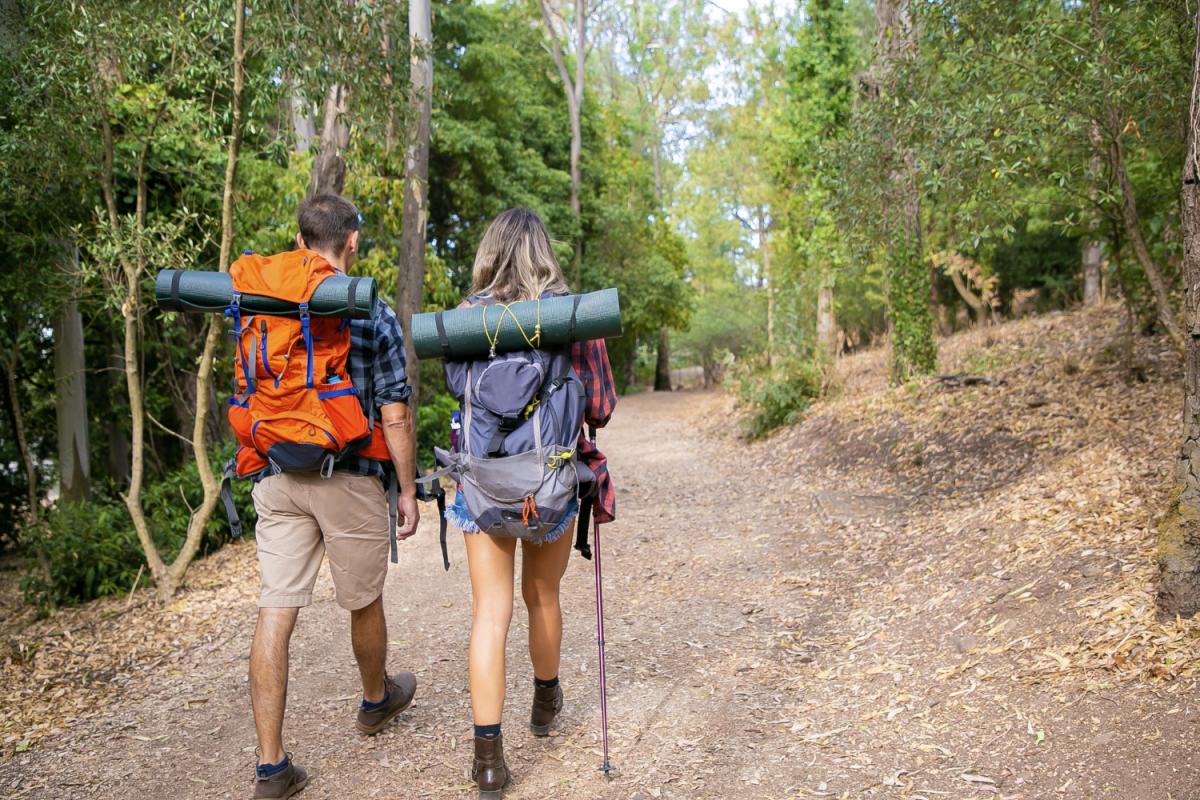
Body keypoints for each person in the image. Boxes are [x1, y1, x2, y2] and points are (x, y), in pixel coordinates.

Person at [248, 194, 421, 799]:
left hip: (276, 475)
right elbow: (394, 412)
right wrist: (406, 488)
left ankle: (271, 767)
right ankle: (376, 700)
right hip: (347, 475)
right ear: (351, 242)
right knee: (363, 598)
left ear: (300, 242)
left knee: (276, 609)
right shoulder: (369, 309)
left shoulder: (264, 302)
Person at [445, 208, 617, 797]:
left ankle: (488, 762)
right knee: (542, 594)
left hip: (482, 486)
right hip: (550, 482)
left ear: (490, 251)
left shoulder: (466, 318)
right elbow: (601, 407)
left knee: (490, 612)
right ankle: (545, 702)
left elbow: (453, 389)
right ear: (545, 251)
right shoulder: (572, 315)